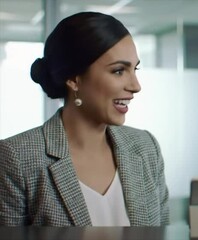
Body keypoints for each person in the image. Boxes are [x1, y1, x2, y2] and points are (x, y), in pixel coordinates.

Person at [0, 12, 169, 226]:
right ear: (73, 79)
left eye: (134, 69)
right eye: (118, 71)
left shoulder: (146, 148)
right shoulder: (17, 158)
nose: (135, 86)